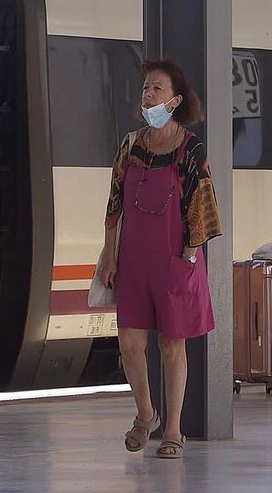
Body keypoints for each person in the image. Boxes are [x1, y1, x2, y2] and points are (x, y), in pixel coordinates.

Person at [95, 58, 221, 460]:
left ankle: (173, 429)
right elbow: (114, 200)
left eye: (157, 89)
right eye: (146, 88)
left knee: (171, 345)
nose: (148, 95)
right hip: (133, 260)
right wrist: (108, 253)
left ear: (176, 100)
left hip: (174, 260)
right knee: (130, 344)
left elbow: (203, 205)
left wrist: (188, 256)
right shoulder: (131, 145)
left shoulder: (189, 148)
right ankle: (145, 414)